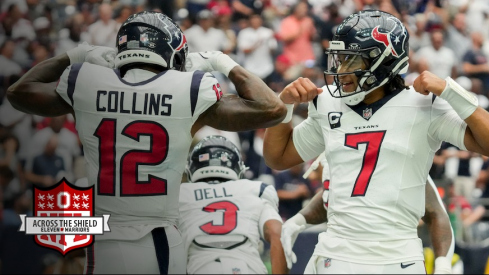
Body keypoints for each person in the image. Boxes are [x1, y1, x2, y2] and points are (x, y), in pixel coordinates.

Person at [7, 11, 286, 274]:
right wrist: (221, 61)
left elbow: (19, 92)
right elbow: (272, 109)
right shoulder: (188, 89)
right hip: (160, 239)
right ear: (170, 50)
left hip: (104, 236)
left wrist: (74, 54)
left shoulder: (87, 81)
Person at [263, 10, 489, 274]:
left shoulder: (423, 104)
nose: (339, 71)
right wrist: (284, 106)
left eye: (351, 61)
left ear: (382, 62)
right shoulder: (327, 102)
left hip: (398, 257)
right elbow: (277, 157)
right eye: (339, 60)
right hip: (334, 254)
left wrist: (451, 91)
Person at [179, 136, 287, 274]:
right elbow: (277, 234)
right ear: (239, 168)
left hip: (200, 268)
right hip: (247, 269)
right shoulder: (255, 189)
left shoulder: (181, 194)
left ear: (191, 169)